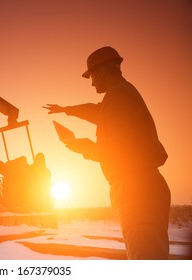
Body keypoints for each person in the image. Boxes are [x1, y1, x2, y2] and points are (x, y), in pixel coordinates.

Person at [43, 46, 171, 259]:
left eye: (92, 75)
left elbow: (112, 150)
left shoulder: (118, 96)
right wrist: (66, 109)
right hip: (143, 186)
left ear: (103, 71)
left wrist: (80, 146)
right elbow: (99, 111)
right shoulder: (122, 93)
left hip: (135, 189)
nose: (92, 82)